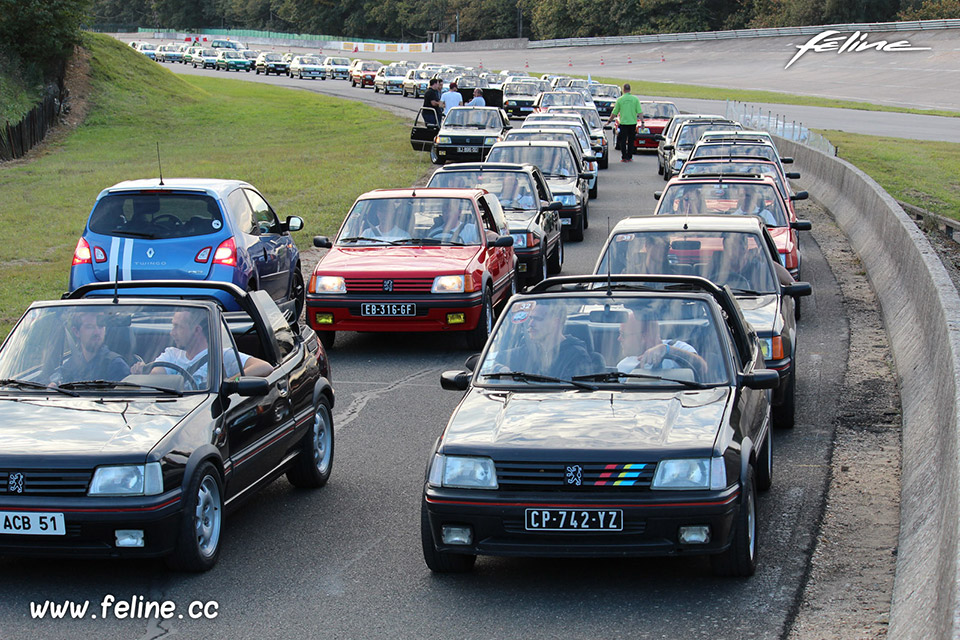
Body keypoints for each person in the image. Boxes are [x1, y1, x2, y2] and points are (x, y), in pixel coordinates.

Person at [132, 308, 272, 388]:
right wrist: (143, 374)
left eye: (178, 327)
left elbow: (265, 367)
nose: (172, 332)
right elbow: (157, 375)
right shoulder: (171, 354)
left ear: (197, 330)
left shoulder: (222, 355)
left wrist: (231, 382)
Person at [498, 303, 594, 379]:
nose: (530, 324)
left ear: (555, 322)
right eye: (530, 318)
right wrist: (500, 369)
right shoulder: (528, 351)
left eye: (538, 319)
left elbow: (572, 394)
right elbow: (489, 363)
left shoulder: (577, 356)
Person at [616, 309, 708, 379]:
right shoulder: (622, 367)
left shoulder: (678, 347)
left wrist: (668, 351)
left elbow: (702, 369)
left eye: (623, 334)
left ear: (644, 336)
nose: (619, 339)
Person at [56, 311, 130, 383]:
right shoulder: (70, 365)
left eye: (100, 326)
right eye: (89, 327)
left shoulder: (116, 366)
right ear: (76, 332)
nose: (97, 332)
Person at [605, 83, 643, 162]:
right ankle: (630, 156)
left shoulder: (620, 99)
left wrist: (609, 121)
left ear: (623, 90)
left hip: (623, 123)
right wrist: (642, 122)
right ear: (630, 90)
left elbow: (614, 112)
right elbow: (640, 112)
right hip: (632, 123)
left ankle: (624, 157)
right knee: (631, 140)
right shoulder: (635, 99)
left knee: (623, 140)